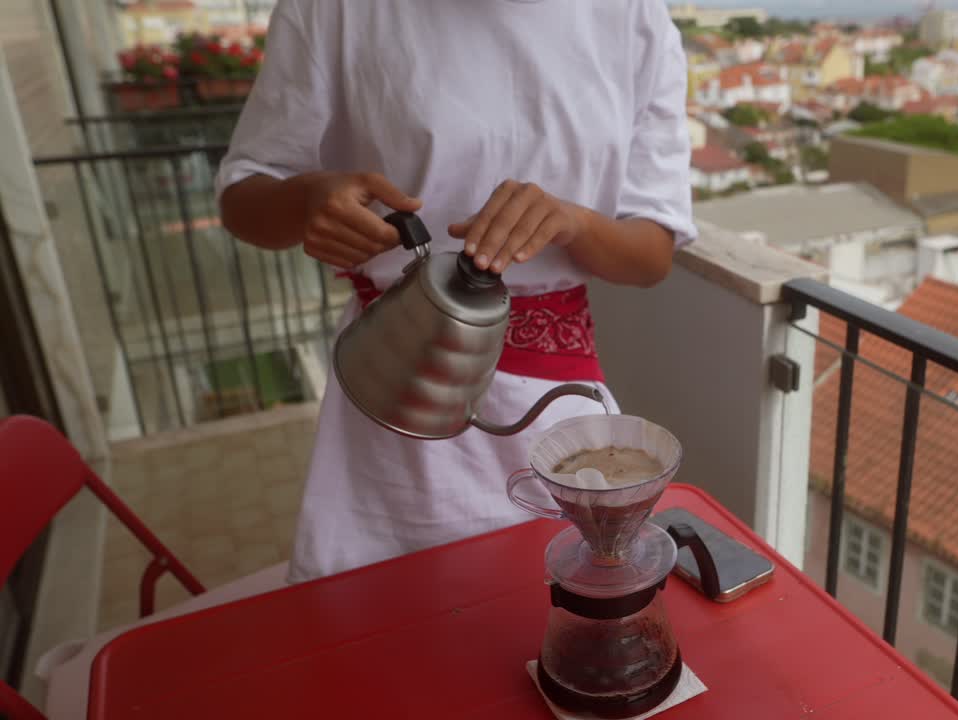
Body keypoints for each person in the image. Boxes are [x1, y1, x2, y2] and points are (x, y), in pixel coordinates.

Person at [216, 0, 695, 583]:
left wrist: (576, 222)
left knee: (561, 613)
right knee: (385, 622)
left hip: (558, 403)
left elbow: (651, 254)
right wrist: (307, 202)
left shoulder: (633, 17)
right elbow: (245, 196)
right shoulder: (333, 10)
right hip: (393, 396)